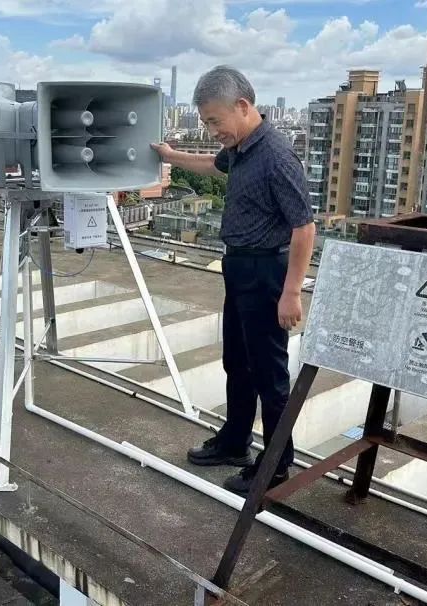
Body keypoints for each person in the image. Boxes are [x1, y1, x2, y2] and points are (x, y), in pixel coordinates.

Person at [150, 66, 315, 496]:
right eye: (205, 121)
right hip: (239, 267)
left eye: (214, 121)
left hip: (266, 272)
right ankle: (235, 440)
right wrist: (169, 156)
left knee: (269, 373)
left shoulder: (277, 156)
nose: (212, 129)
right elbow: (212, 164)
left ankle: (276, 464)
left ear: (242, 107)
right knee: (237, 364)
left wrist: (291, 292)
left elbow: (304, 226)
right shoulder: (242, 147)